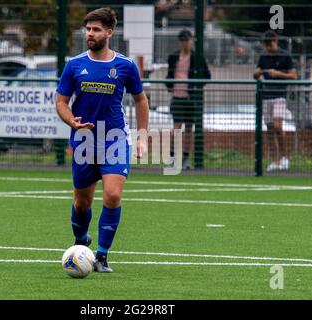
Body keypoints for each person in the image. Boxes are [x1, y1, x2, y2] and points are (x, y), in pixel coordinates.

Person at [55, 8, 149, 272]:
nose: (90, 34)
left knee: (112, 195)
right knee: (81, 202)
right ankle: (80, 243)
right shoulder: (74, 65)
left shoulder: (125, 66)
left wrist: (141, 137)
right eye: (88, 29)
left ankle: (103, 256)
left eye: (96, 29)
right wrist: (71, 120)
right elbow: (61, 102)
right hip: (84, 142)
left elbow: (141, 101)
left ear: (109, 32)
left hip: (114, 139)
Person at [166, 29, 211, 169]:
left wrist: (195, 88)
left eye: (187, 39)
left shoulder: (198, 57)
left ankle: (186, 157)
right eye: (182, 40)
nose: (184, 43)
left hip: (191, 98)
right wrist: (169, 84)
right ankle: (173, 157)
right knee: (176, 126)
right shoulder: (173, 57)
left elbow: (207, 76)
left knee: (189, 128)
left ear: (192, 40)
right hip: (177, 96)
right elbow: (169, 74)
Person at [254, 30, 297, 172]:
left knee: (278, 126)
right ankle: (274, 160)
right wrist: (257, 73)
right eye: (266, 45)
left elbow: (293, 76)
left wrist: (278, 74)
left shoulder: (285, 56)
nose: (268, 48)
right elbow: (256, 72)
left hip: (280, 95)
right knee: (270, 129)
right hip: (266, 96)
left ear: (275, 42)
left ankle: (285, 157)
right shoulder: (263, 56)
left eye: (270, 44)